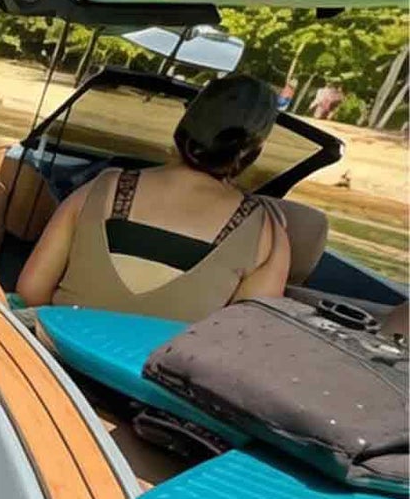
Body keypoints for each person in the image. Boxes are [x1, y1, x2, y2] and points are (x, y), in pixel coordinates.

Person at [17, 74, 291, 322]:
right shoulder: (267, 234)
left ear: (185, 125)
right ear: (254, 150)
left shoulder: (104, 187)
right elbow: (241, 339)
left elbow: (31, 291)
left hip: (52, 364)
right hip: (156, 377)